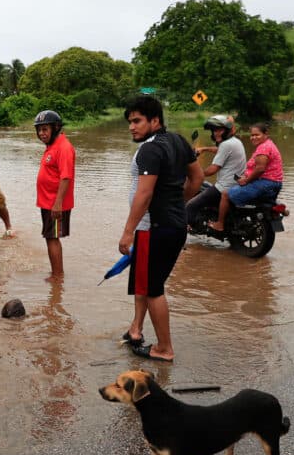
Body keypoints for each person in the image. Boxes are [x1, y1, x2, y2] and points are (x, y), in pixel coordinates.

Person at [119, 97, 203, 363]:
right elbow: (198, 178)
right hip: (173, 225)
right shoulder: (179, 141)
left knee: (153, 288)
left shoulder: (150, 150)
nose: (132, 127)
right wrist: (178, 204)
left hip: (154, 227)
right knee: (144, 281)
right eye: (130, 122)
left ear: (155, 120)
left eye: (137, 121)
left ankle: (164, 349)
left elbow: (144, 195)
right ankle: (136, 329)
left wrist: (127, 231)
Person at [208, 122, 283, 234]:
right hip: (273, 184)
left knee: (225, 194)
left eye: (257, 135)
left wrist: (246, 180)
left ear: (266, 134)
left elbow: (260, 169)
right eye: (252, 135)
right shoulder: (269, 144)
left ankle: (220, 224)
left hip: (265, 184)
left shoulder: (263, 148)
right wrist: (245, 177)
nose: (253, 137)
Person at [33, 110, 75, 280]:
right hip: (48, 202)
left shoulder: (64, 147)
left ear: (56, 128)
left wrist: (57, 204)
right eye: (39, 130)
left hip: (55, 203)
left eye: (45, 129)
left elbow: (66, 177)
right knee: (50, 237)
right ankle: (56, 273)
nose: (41, 134)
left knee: (52, 238)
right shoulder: (53, 145)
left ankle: (57, 277)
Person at [185, 115, 247, 229]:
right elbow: (220, 151)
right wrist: (204, 149)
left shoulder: (225, 145)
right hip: (236, 184)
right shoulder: (235, 141)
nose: (215, 133)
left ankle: (183, 231)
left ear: (227, 130)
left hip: (224, 186)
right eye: (214, 130)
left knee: (190, 205)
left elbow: (213, 169)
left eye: (219, 130)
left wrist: (197, 173)